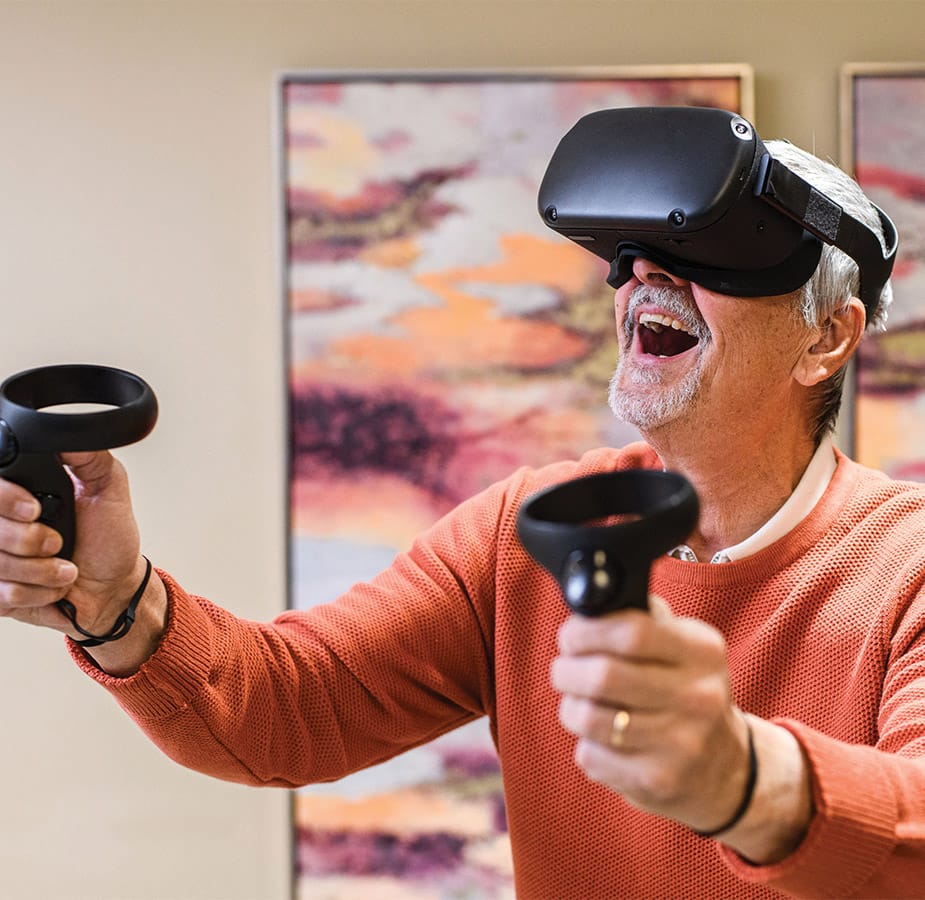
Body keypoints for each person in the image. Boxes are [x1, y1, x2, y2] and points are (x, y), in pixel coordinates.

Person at [1, 114, 923, 899]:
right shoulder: (528, 533)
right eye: (626, 252)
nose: (644, 274)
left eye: (712, 253)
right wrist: (118, 598)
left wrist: (740, 779)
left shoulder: (905, 567)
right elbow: (289, 706)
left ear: (827, 337)